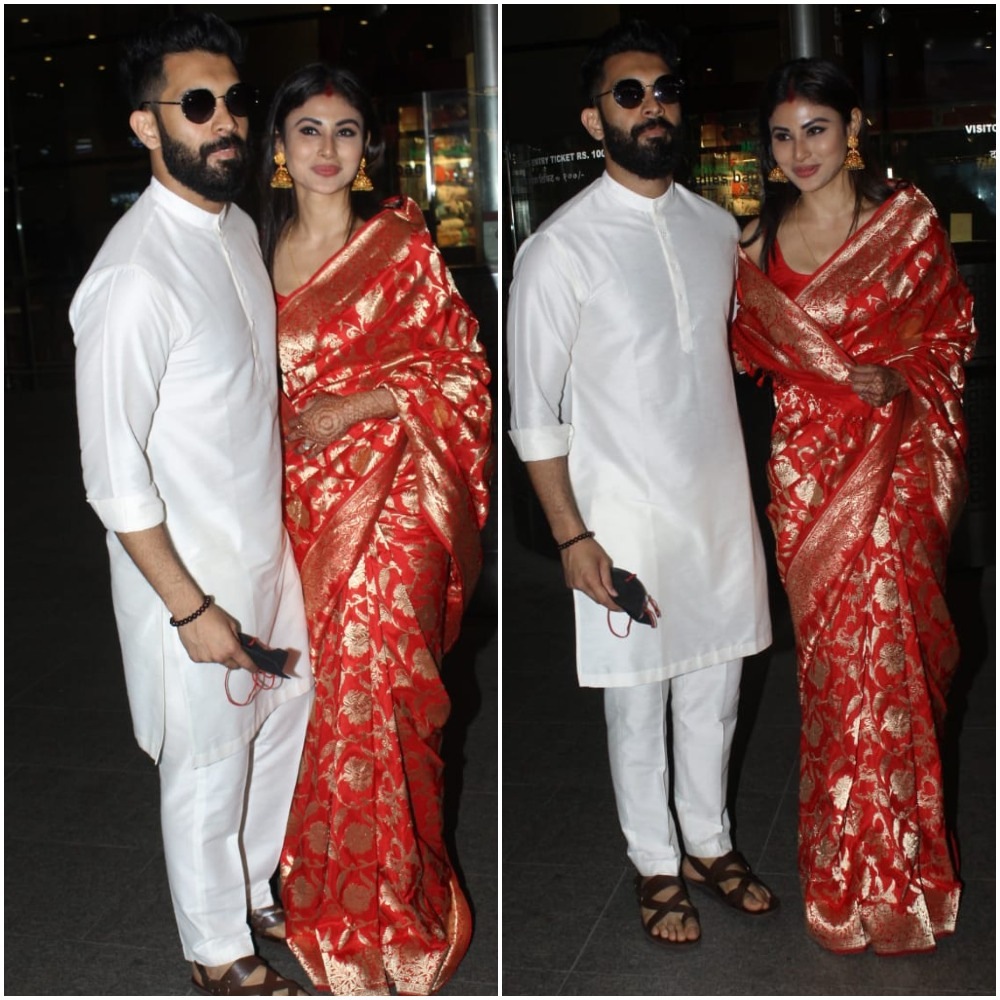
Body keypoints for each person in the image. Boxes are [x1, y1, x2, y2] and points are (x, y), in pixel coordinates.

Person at [507, 20, 775, 946]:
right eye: (629, 94)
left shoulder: (710, 229)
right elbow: (533, 413)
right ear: (594, 120)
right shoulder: (557, 250)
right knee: (638, 695)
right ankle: (655, 863)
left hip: (716, 502)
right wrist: (573, 536)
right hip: (620, 514)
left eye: (664, 90)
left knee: (718, 683)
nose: (653, 107)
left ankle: (710, 838)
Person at [70, 13, 313, 996]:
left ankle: (252, 884)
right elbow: (111, 475)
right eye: (198, 105)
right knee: (208, 761)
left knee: (279, 724)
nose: (226, 125)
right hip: (191, 575)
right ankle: (217, 946)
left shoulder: (241, 228)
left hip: (265, 552)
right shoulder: (132, 276)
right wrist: (188, 607)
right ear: (144, 126)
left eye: (235, 102)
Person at [257, 64, 493, 994]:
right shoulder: (244, 252)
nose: (326, 148)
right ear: (278, 150)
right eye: (307, 130)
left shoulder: (400, 247)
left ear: (367, 149)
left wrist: (362, 402)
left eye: (345, 131)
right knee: (311, 707)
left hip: (395, 509)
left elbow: (464, 372)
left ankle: (397, 907)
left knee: (386, 695)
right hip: (290, 516)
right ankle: (320, 895)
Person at [733, 57, 976, 955]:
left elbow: (952, 334)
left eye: (817, 130)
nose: (800, 150)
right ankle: (843, 869)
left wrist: (901, 377)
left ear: (853, 130)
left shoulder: (905, 225)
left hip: (898, 462)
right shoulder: (753, 245)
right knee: (834, 674)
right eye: (784, 135)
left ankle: (906, 876)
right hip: (805, 474)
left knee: (899, 662)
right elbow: (731, 354)